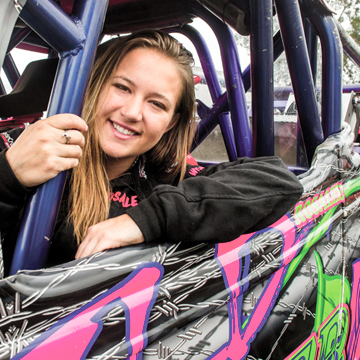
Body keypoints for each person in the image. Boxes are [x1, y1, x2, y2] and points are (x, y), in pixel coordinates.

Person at [0, 30, 303, 273]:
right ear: (93, 86)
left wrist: (147, 219)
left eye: (156, 104)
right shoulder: (25, 147)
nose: (132, 112)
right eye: (122, 87)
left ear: (171, 123)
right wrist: (7, 177)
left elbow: (279, 181)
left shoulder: (167, 174)